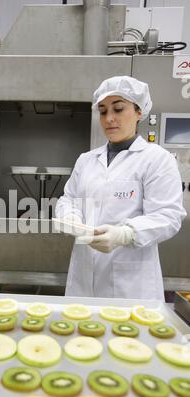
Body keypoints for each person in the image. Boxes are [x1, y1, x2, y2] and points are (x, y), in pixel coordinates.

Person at [55, 76, 186, 301]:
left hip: (131, 283)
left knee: (129, 334)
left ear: (139, 112)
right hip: (83, 276)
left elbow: (169, 216)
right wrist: (71, 218)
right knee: (82, 331)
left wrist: (124, 234)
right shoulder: (86, 160)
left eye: (118, 109)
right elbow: (68, 199)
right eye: (103, 111)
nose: (109, 119)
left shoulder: (157, 160)